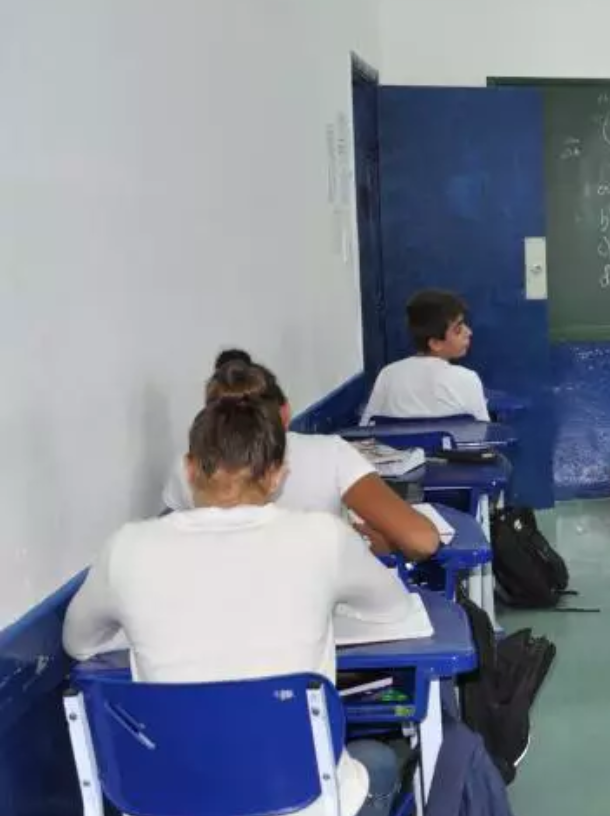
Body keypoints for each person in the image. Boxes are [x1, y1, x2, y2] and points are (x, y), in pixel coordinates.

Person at [65, 392, 419, 816]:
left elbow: (79, 643)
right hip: (301, 802)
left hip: (169, 802)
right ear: (276, 476)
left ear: (190, 469)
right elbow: (393, 609)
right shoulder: (322, 538)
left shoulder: (126, 547)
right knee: (380, 761)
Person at [166, 352, 441, 560]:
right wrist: (362, 541)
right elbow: (421, 540)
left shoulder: (187, 469)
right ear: (284, 413)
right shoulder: (330, 454)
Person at [362, 289, 489, 423]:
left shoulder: (388, 374)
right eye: (458, 330)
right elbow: (484, 436)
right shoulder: (468, 379)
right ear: (435, 343)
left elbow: (366, 429)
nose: (469, 332)